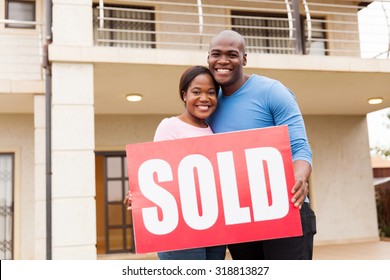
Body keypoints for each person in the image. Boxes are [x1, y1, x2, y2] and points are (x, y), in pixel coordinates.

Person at [206, 30, 317, 260]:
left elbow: (300, 148)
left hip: (285, 208)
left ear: (244, 59)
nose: (223, 61)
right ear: (208, 58)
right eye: (216, 54)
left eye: (232, 54)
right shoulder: (208, 103)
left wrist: (299, 178)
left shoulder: (272, 91)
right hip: (241, 216)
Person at [124, 65, 226, 260]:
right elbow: (155, 172)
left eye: (211, 93)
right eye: (196, 92)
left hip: (213, 227)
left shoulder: (214, 130)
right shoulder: (170, 126)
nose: (204, 98)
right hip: (180, 229)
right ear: (184, 95)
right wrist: (141, 195)